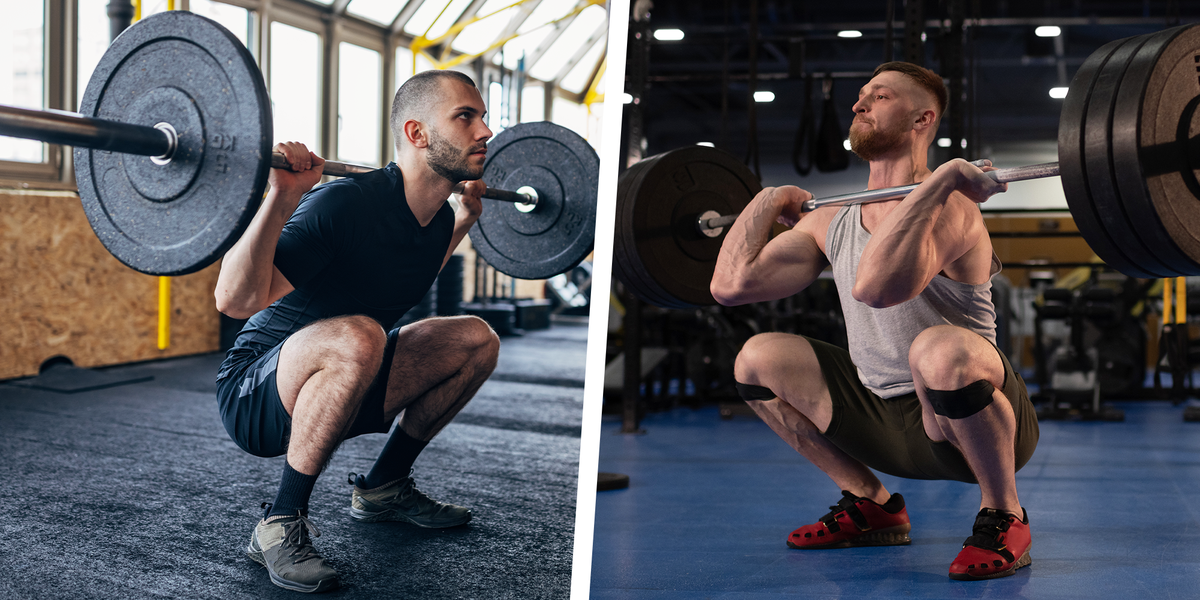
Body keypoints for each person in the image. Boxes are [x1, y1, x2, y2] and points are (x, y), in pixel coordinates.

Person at [710, 61, 1038, 581]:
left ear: (921, 119)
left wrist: (942, 180)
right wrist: (766, 200)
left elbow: (878, 287)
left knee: (939, 350)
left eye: (880, 96)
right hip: (879, 416)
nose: (860, 104)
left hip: (963, 421)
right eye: (861, 96)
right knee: (756, 358)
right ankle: (871, 504)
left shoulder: (953, 205)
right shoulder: (831, 218)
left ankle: (1004, 513)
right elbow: (731, 286)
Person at [213, 70, 501, 594]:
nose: (485, 131)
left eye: (482, 117)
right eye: (466, 117)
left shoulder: (435, 217)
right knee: (362, 335)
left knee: (475, 339)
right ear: (417, 134)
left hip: (349, 372)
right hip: (256, 389)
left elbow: (409, 269)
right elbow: (234, 301)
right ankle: (278, 523)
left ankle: (384, 487)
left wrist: (464, 220)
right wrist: (281, 196)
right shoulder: (344, 203)